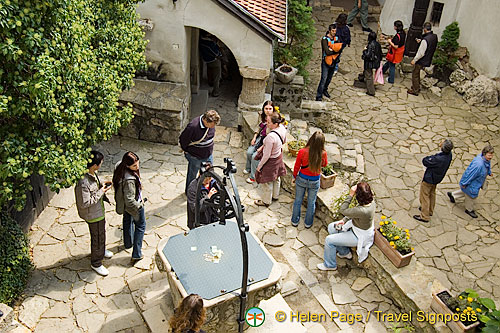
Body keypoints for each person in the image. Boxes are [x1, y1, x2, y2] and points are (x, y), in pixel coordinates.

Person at [317, 182, 375, 271]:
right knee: (332, 227)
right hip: (356, 228)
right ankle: (345, 252)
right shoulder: (370, 202)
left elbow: (343, 210)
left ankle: (330, 265)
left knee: (329, 240)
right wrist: (344, 220)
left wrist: (351, 195)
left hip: (359, 236)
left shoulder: (363, 210)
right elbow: (355, 213)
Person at [75, 151, 114, 276]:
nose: (102, 164)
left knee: (101, 233)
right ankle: (96, 262)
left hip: (98, 211)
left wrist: (103, 184)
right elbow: (85, 203)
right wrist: (101, 192)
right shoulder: (82, 183)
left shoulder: (93, 174)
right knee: (97, 237)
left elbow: (96, 184)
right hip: (92, 215)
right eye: (100, 162)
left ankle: (101, 251)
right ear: (94, 165)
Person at [113, 151, 146, 261]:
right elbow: (130, 200)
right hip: (134, 206)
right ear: (127, 165)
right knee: (140, 227)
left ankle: (128, 243)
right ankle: (136, 253)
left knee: (127, 221)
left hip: (125, 206)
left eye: (137, 163)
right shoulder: (129, 180)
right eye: (134, 165)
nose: (137, 167)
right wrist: (139, 206)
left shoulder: (119, 167)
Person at [291, 131, 328, 228]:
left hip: (302, 178)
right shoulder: (323, 153)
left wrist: (294, 176)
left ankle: (295, 221)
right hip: (314, 180)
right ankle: (308, 223)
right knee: (311, 203)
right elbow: (324, 165)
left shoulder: (302, 151)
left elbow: (297, 166)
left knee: (298, 200)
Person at [179, 110, 220, 194]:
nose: (213, 127)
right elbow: (183, 139)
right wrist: (187, 151)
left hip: (208, 155)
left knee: (209, 174)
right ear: (206, 121)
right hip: (195, 156)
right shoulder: (193, 126)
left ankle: (206, 191)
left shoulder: (211, 125)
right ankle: (190, 192)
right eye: (212, 124)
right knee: (192, 176)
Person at [448, 145, 494, 218]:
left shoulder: (485, 160)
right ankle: (469, 209)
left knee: (466, 191)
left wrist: (489, 172)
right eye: (489, 155)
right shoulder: (478, 165)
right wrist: (464, 183)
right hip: (473, 183)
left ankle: (453, 195)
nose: (490, 157)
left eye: (491, 155)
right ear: (484, 154)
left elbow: (487, 166)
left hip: (477, 181)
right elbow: (470, 174)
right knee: (471, 197)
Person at [413, 139, 454, 223]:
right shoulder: (449, 155)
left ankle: (424, 215)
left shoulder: (438, 159)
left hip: (429, 178)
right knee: (432, 193)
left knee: (424, 196)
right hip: (437, 178)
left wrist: (430, 158)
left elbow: (425, 161)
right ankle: (430, 210)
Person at [254, 112, 287, 207]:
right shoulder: (282, 128)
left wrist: (259, 167)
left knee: (266, 182)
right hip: (278, 157)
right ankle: (275, 196)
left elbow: (266, 155)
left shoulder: (270, 137)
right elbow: (284, 141)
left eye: (268, 122)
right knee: (276, 177)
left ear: (275, 124)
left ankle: (266, 201)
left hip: (271, 160)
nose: (266, 124)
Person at [244, 101, 275, 184]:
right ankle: (248, 168)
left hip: (268, 141)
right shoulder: (261, 116)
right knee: (249, 152)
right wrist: (254, 137)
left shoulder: (275, 119)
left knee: (255, 156)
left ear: (273, 109)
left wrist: (262, 147)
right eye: (266, 108)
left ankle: (253, 176)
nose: (268, 111)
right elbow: (258, 127)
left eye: (270, 109)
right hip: (260, 138)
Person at [408, 22, 438, 96]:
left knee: (415, 74)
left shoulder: (425, 40)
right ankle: (416, 86)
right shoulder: (434, 36)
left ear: (425, 29)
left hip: (422, 59)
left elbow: (421, 53)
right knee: (417, 73)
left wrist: (414, 60)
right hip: (428, 57)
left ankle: (415, 89)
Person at [186, 163, 219, 229]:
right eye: (205, 178)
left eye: (209, 178)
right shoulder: (193, 188)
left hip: (212, 220)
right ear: (200, 175)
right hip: (199, 223)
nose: (208, 181)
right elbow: (195, 209)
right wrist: (208, 197)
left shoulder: (214, 183)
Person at [315, 24, 342, 101]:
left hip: (334, 61)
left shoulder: (336, 38)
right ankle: (319, 95)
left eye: (335, 31)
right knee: (323, 78)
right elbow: (327, 52)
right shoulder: (325, 39)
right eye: (333, 31)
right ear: (329, 31)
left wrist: (333, 50)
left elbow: (340, 49)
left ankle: (325, 90)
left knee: (329, 78)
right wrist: (335, 51)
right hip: (326, 61)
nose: (334, 32)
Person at [358, 31, 382, 96]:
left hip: (369, 63)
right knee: (367, 73)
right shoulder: (378, 44)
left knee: (369, 76)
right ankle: (361, 78)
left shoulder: (370, 45)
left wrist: (364, 50)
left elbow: (368, 55)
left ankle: (371, 91)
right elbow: (380, 53)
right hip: (375, 62)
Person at [199, 31, 222, 97]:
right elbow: (216, 53)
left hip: (207, 61)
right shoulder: (209, 43)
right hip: (214, 61)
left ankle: (210, 83)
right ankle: (216, 92)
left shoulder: (201, 42)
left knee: (210, 73)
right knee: (217, 77)